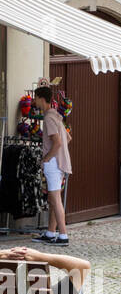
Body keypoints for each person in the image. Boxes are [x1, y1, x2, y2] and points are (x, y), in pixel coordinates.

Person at [32, 85, 71, 246]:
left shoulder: (48, 118)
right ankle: (50, 232)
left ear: (42, 99)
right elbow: (68, 138)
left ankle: (63, 236)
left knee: (55, 199)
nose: (34, 101)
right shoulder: (55, 115)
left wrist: (46, 158)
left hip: (53, 163)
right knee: (54, 198)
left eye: (35, 98)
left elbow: (58, 142)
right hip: (59, 162)